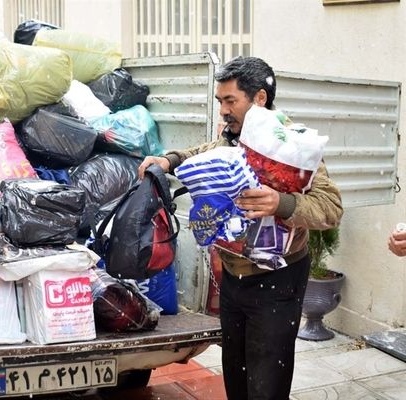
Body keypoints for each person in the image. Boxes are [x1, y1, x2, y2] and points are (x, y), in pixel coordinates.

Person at [138, 56, 343, 400]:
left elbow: (332, 208)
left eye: (230, 101)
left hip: (278, 282)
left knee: (266, 385)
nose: (223, 110)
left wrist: (283, 203)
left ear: (259, 98)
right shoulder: (230, 139)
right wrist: (169, 160)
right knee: (236, 375)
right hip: (234, 278)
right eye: (220, 101)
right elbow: (201, 152)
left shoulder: (292, 146)